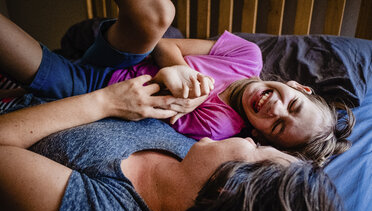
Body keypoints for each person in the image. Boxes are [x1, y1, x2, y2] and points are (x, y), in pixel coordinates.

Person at [0, 76, 365, 211]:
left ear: (226, 186)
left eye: (258, 150)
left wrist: (103, 104)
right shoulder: (187, 153)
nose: (251, 139)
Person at [0, 0, 354, 166]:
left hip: (87, 88)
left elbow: (153, 112)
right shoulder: (248, 56)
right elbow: (166, 43)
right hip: (128, 56)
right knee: (158, 13)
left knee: (29, 59)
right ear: (298, 86)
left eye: (277, 125)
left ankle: (30, 88)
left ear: (260, 136)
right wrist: (174, 68)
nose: (274, 108)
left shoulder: (220, 125)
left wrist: (164, 82)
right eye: (292, 105)